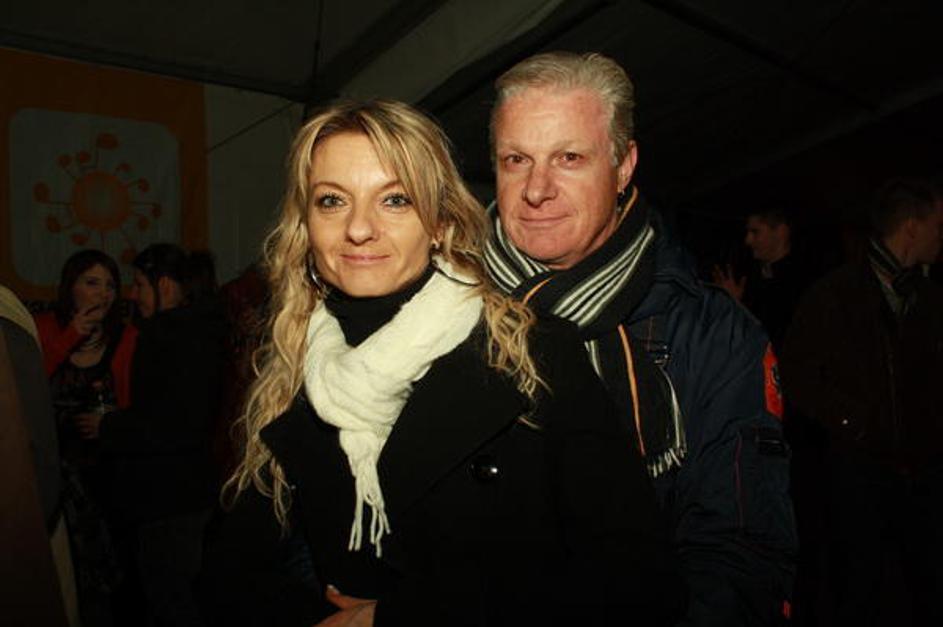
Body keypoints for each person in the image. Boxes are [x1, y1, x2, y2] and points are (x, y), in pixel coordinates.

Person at [200, 100, 684, 626]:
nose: (358, 228)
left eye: (395, 200)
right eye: (332, 201)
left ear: (438, 222)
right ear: (306, 223)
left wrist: (395, 618)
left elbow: (639, 580)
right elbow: (229, 578)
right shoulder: (293, 368)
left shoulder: (531, 353)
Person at [483, 51, 796, 625]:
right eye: (516, 159)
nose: (536, 189)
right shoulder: (442, 309)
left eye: (569, 158)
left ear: (623, 166)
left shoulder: (714, 333)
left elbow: (740, 557)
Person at [781, 178, 943, 626]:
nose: (941, 237)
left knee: (926, 588)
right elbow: (796, 376)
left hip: (923, 477)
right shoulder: (835, 294)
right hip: (859, 477)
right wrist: (855, 423)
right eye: (938, 226)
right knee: (859, 591)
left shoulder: (930, 298)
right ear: (911, 227)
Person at [79, 243, 226, 627]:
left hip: (171, 497)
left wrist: (108, 426)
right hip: (181, 493)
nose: (132, 295)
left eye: (140, 285)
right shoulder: (193, 329)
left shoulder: (175, 336)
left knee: (169, 601)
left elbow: (173, 423)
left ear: (165, 286)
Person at [33, 249, 137, 625]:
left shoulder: (127, 336)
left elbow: (135, 405)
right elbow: (24, 389)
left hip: (106, 471)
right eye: (92, 283)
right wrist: (70, 336)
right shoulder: (42, 327)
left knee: (112, 574)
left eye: (110, 285)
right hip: (51, 472)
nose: (103, 294)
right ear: (70, 286)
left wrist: (111, 423)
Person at [713, 208, 808, 352]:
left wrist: (736, 304)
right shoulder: (750, 274)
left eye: (755, 232)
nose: (748, 240)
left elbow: (773, 333)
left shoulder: (801, 281)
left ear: (781, 232)